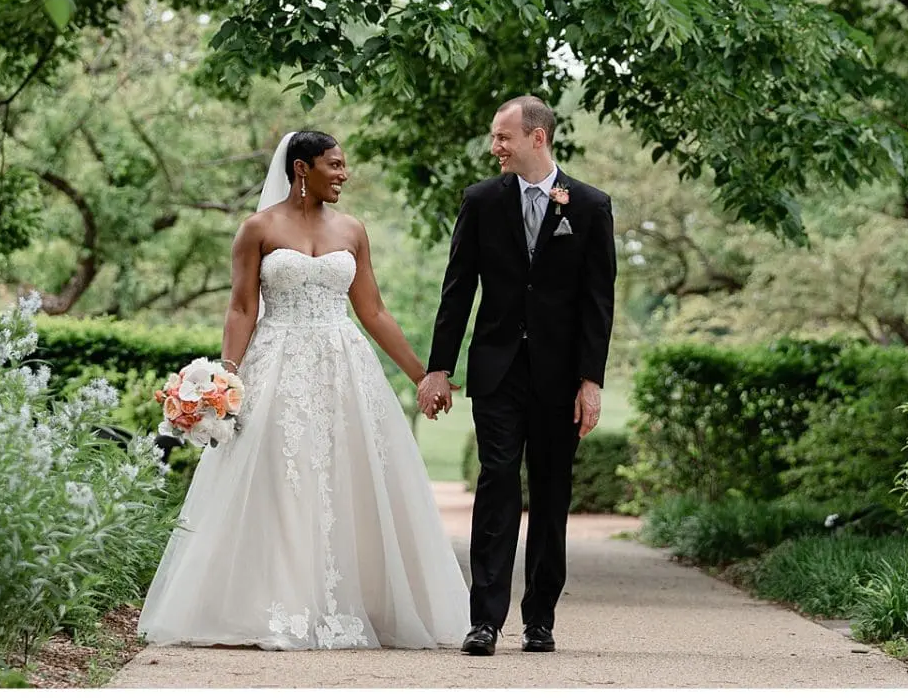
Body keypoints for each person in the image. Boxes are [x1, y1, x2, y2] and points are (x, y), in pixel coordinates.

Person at [137, 130, 469, 649]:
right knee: (280, 480)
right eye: (334, 165)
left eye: (344, 166)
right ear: (300, 168)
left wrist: (424, 374)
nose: (343, 174)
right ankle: (280, 605)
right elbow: (242, 308)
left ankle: (353, 605)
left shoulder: (353, 230)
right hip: (276, 367)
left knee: (346, 479)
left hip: (344, 367)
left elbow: (373, 312)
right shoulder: (257, 229)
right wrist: (225, 380)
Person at [418, 95, 617, 656]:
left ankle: (540, 620)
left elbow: (598, 302)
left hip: (560, 379)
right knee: (497, 483)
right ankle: (483, 620)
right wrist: (439, 366)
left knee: (552, 495)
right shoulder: (481, 201)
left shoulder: (592, 206)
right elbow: (457, 290)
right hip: (498, 371)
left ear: (538, 138)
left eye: (503, 136)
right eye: (493, 136)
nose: (495, 146)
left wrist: (590, 380)